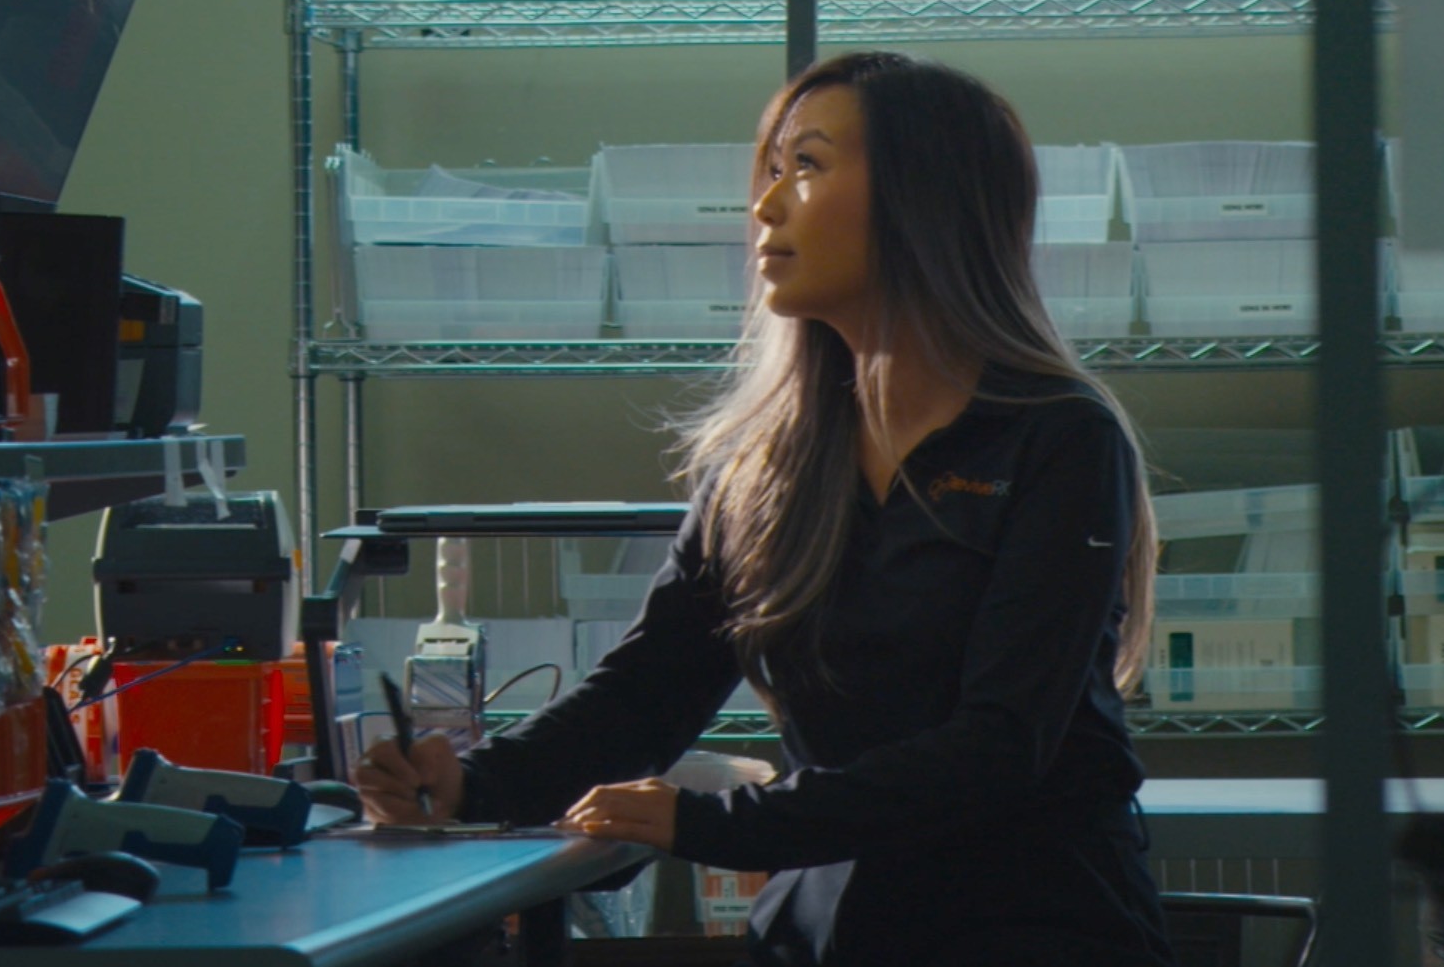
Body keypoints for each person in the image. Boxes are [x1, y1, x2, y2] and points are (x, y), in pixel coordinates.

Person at [357, 50, 1177, 967]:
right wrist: (469, 784)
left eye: (807, 166)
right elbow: (646, 692)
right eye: (772, 169)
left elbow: (997, 745)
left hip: (1027, 924)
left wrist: (715, 822)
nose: (766, 204)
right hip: (823, 925)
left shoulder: (1057, 438)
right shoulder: (764, 465)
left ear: (922, 198)